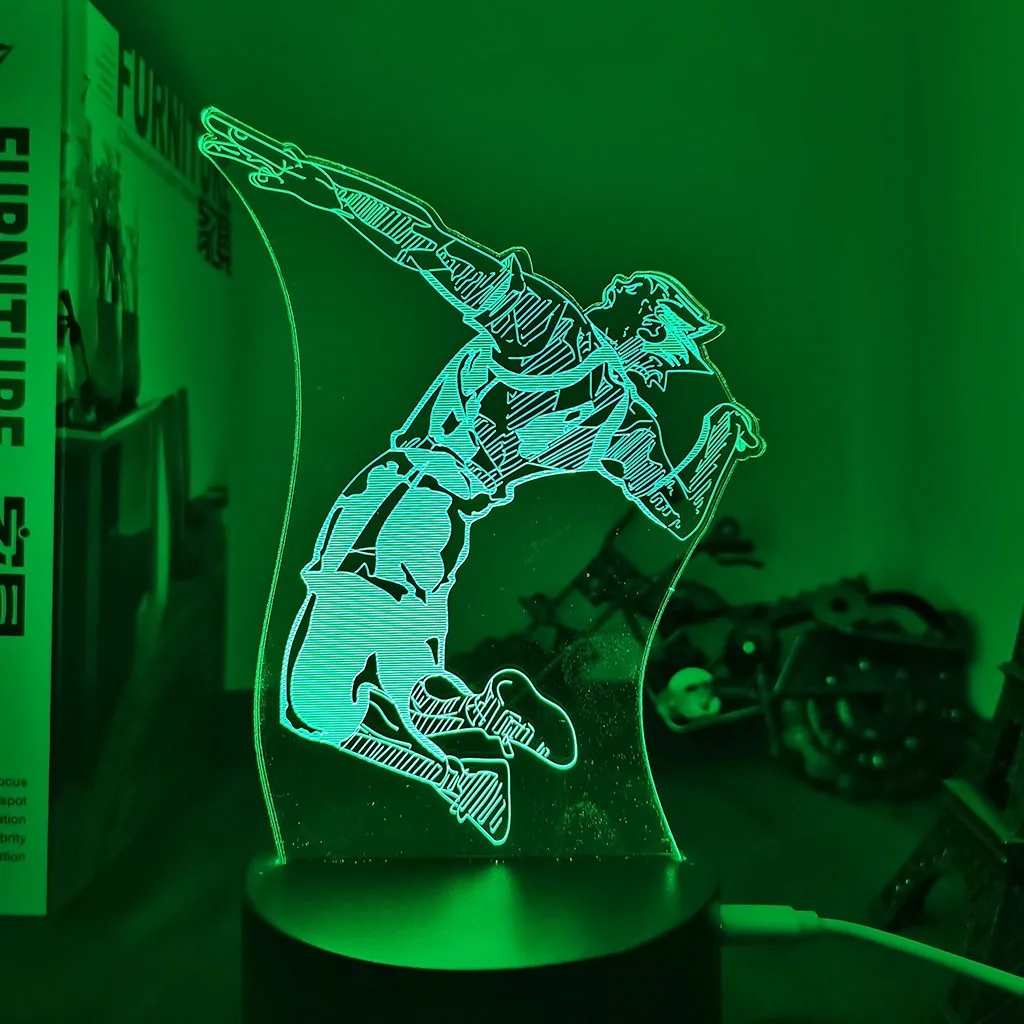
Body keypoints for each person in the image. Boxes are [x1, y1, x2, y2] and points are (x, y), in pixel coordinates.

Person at [199, 109, 764, 845]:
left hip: (401, 504)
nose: (669, 364)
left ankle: (461, 769)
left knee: (315, 703)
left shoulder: (556, 337)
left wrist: (313, 179)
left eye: (674, 353)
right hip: (438, 532)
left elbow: (427, 244)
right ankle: (479, 733)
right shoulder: (619, 415)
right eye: (669, 345)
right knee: (408, 692)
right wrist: (719, 441)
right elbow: (679, 510)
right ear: (640, 322)